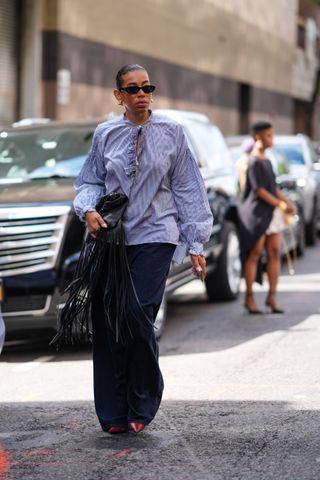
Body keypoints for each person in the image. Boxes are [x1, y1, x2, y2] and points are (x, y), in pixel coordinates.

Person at [73, 64, 213, 434]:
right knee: (107, 323)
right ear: (118, 95)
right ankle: (114, 412)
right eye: (132, 89)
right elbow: (90, 181)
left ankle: (144, 396)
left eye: (147, 87)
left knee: (136, 313)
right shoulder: (106, 134)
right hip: (113, 239)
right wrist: (88, 210)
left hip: (157, 234)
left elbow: (188, 188)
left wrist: (195, 241)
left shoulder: (172, 132)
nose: (142, 94)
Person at [238, 121, 296, 314]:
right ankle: (249, 298)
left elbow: (273, 188)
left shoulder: (268, 160)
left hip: (272, 214)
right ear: (258, 137)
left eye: (273, 134)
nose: (273, 138)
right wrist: (279, 204)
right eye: (269, 135)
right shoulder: (253, 161)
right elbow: (259, 191)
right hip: (256, 214)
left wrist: (287, 202)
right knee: (254, 254)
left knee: (274, 253)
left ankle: (272, 297)